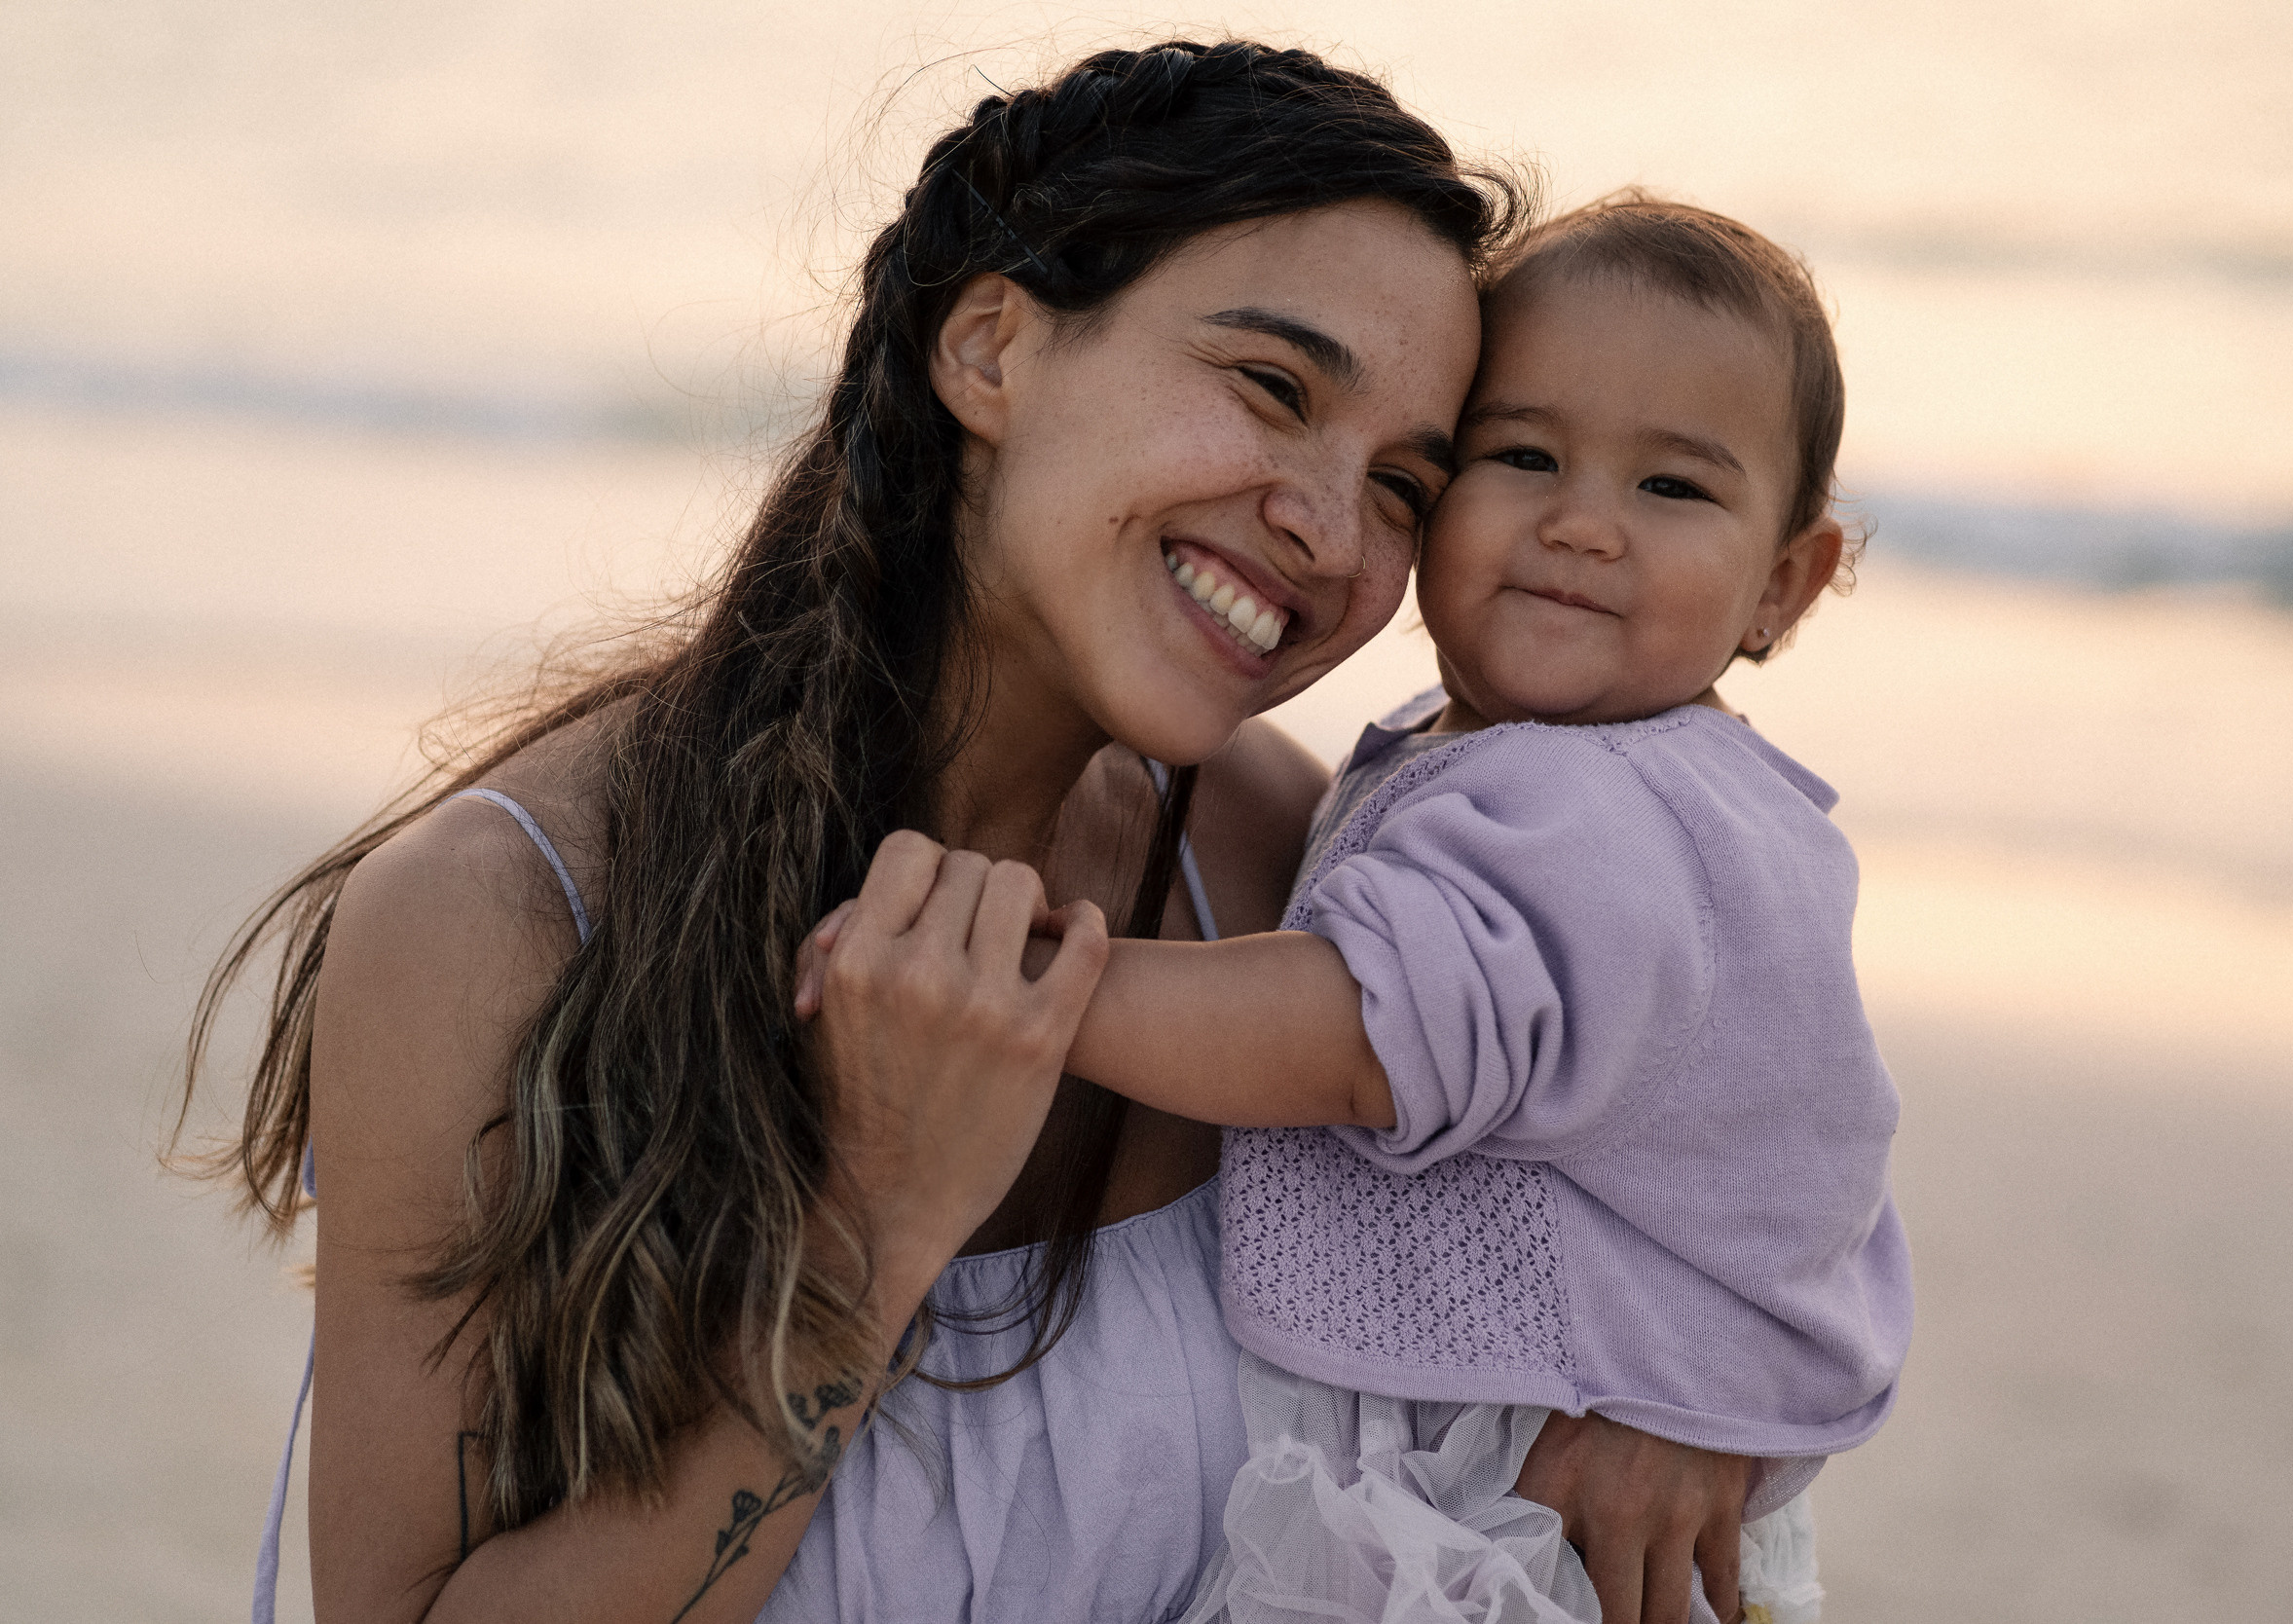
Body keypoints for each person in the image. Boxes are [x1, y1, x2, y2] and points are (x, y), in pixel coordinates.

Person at [182, 41, 1763, 1624]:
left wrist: (1690, 1403)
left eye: (1408, 485)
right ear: (993, 348)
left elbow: (1702, 1131)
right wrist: (869, 1233)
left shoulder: (1283, 863)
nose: (1332, 532)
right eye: (1273, 389)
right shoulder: (504, 921)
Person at [811, 193, 1913, 1623]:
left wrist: (1047, 983)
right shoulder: (1629, 791)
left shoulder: (1602, 821)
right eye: (1522, 457)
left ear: (1785, 583)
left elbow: (1360, 1033)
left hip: (1518, 1501)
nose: (1582, 525)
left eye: (1673, 489)